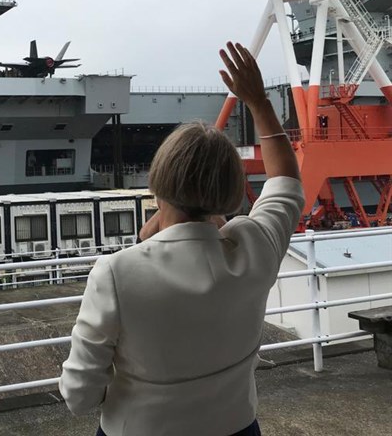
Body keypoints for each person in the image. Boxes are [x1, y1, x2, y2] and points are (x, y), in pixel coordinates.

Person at [59, 42, 304, 436]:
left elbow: (79, 396)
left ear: (156, 186)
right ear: (232, 190)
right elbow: (287, 184)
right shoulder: (257, 245)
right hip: (237, 427)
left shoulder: (117, 272)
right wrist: (258, 102)